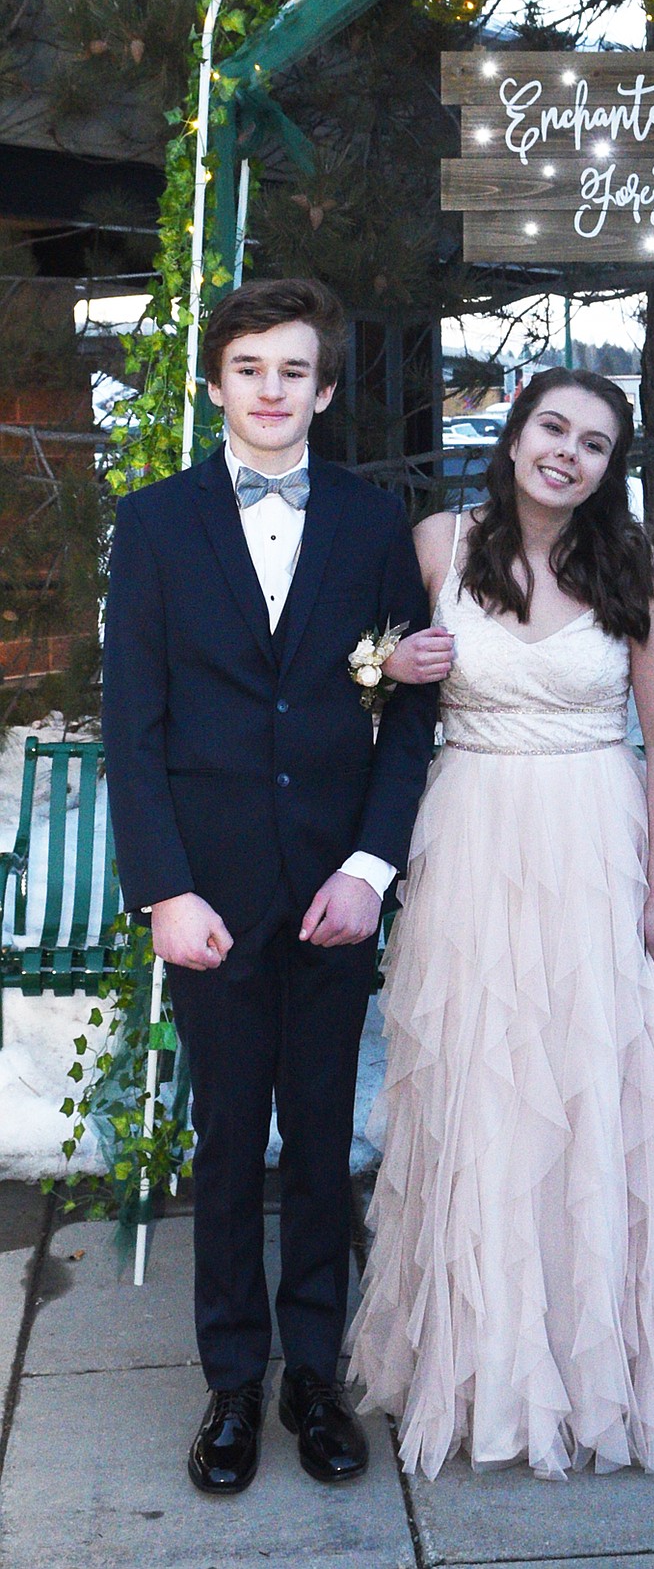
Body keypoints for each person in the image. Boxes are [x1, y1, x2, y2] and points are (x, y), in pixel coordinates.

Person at [348, 367, 654, 1480]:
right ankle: (486, 1360)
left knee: (597, 1089)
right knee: (483, 1088)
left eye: (592, 442)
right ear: (517, 433)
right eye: (551, 428)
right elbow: (350, 670)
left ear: (607, 465)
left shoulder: (633, 567)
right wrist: (383, 665)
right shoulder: (442, 545)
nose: (567, 453)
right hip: (473, 835)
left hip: (592, 838)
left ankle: (608, 1372)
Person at [102, 277, 437, 1495]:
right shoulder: (153, 524)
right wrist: (165, 891)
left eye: (295, 370)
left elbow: (406, 711)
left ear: (326, 390)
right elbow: (131, 728)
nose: (272, 389)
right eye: (250, 367)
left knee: (318, 1143)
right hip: (214, 892)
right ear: (216, 382)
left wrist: (370, 867)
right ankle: (232, 1383)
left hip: (335, 891)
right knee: (231, 1136)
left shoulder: (370, 521)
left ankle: (314, 1374)